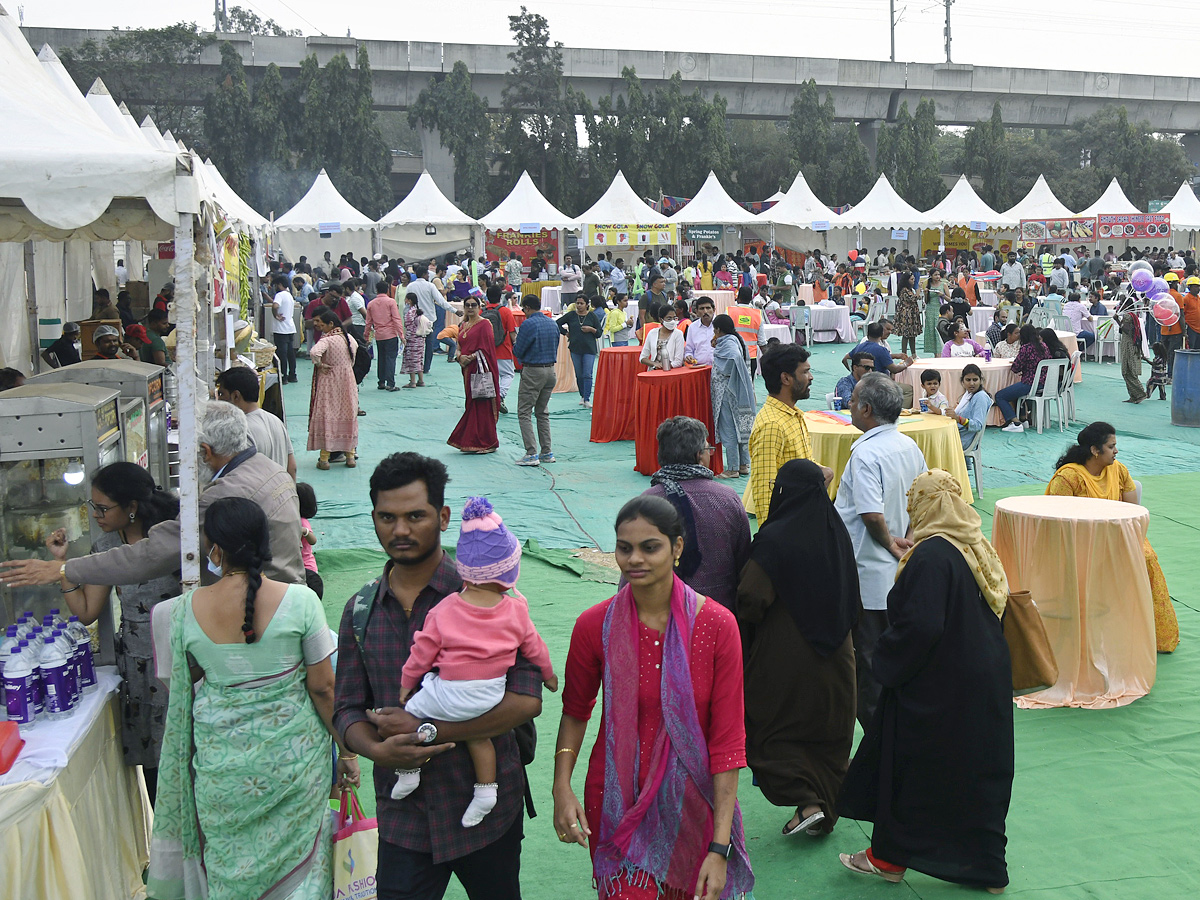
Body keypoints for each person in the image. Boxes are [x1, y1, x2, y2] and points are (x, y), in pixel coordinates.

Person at [333, 453, 544, 900]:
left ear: (444, 517)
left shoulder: (498, 599)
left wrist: (427, 731)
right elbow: (346, 709)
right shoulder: (359, 611)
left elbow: (528, 701)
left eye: (416, 516)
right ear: (372, 518)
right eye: (387, 517)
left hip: (486, 810)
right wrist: (377, 749)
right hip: (403, 818)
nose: (401, 530)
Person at [147, 497, 358, 900]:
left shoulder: (179, 613)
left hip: (221, 771)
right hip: (294, 767)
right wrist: (347, 754)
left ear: (215, 548)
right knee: (303, 873)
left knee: (230, 872)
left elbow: (179, 682)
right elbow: (324, 689)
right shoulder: (301, 602)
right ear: (266, 542)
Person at [553, 496, 755, 900]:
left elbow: (728, 741)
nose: (634, 559)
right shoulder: (594, 626)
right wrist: (562, 786)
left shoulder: (717, 627)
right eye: (624, 548)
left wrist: (719, 848)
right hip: (614, 799)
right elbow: (576, 711)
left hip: (694, 807)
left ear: (677, 548)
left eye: (650, 547)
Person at [837, 469, 1013, 894]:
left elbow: (921, 626)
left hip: (937, 687)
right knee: (977, 774)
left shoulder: (932, 555)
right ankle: (987, 868)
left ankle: (888, 859)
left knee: (910, 772)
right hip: (983, 680)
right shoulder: (974, 544)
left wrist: (884, 665)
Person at [2, 401, 304, 590]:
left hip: (260, 606)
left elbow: (155, 553)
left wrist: (65, 569)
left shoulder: (226, 494)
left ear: (205, 452)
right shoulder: (270, 468)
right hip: (285, 594)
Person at [394, 497, 557, 828]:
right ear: (508, 571)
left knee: (410, 716)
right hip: (491, 696)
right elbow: (536, 648)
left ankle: (409, 771)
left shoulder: (443, 611)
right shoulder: (515, 610)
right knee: (480, 735)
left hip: (447, 695)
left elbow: (421, 654)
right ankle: (486, 791)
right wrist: (550, 676)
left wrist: (406, 684)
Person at [42, 462, 180, 804]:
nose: (96, 515)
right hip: (136, 664)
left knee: (180, 755)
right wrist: (62, 564)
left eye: (103, 508)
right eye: (93, 507)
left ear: (132, 507)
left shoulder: (170, 537)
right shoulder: (106, 547)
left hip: (176, 658)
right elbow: (88, 611)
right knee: (151, 763)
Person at [737, 459, 859, 838]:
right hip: (838, 655)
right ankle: (821, 806)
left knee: (768, 730)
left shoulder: (775, 539)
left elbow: (750, 597)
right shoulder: (835, 530)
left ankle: (807, 800)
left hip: (787, 658)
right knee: (827, 735)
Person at [833, 373, 927, 729]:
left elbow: (870, 512)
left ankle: (880, 745)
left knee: (868, 664)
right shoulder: (908, 445)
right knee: (893, 656)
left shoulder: (867, 453)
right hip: (898, 569)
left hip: (870, 570)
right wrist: (909, 538)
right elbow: (923, 498)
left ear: (867, 409)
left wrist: (890, 542)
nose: (850, 406)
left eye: (854, 401)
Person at [1046, 423, 1178, 652]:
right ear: (1095, 450)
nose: (1116, 451)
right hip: (1079, 540)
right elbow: (1056, 521)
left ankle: (1150, 634)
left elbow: (1132, 513)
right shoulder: (1069, 478)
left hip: (1117, 534)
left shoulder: (1118, 470)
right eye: (1111, 446)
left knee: (1147, 558)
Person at [643, 416, 751, 609]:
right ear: (699, 455)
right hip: (720, 614)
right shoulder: (728, 498)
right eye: (709, 449)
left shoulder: (646, 503)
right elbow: (743, 562)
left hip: (661, 615)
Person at [748, 344, 832, 523]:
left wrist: (821, 471)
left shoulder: (793, 415)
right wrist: (770, 537)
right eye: (805, 372)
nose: (811, 377)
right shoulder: (772, 425)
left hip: (801, 518)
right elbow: (764, 489)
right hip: (787, 526)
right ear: (786, 378)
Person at [215, 365, 297, 480]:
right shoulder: (276, 421)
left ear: (235, 396)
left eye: (221, 394)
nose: (218, 401)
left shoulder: (240, 431)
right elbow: (292, 467)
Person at [448, 294, 501, 453]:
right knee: (471, 404)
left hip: (480, 369)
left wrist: (470, 358)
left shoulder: (485, 324)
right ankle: (472, 440)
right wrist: (459, 357)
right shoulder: (463, 324)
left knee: (482, 404)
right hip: (467, 370)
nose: (470, 308)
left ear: (479, 307)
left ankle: (489, 442)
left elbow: (487, 349)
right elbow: (459, 345)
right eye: (467, 305)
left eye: (473, 305)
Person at [309, 309, 360, 469]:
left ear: (331, 324)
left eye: (321, 323)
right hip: (347, 380)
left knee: (328, 414)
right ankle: (350, 457)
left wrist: (320, 365)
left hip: (329, 381)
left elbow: (314, 352)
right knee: (348, 413)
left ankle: (324, 459)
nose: (319, 326)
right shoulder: (348, 338)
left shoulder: (327, 340)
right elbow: (356, 349)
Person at [513, 295, 558, 467]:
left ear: (527, 307)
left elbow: (518, 350)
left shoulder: (528, 324)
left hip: (533, 370)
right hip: (550, 370)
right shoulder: (552, 323)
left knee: (524, 412)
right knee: (542, 412)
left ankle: (531, 453)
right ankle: (546, 451)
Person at [709, 316, 756, 479]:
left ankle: (733, 468)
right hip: (737, 390)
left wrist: (725, 371)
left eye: (715, 330)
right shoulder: (735, 339)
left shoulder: (728, 344)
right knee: (741, 427)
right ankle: (743, 464)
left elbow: (734, 358)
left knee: (729, 428)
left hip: (727, 392)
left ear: (719, 330)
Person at [995, 325, 1049, 432]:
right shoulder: (1044, 346)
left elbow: (1015, 368)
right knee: (1015, 391)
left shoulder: (1026, 348)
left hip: (1029, 383)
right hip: (1044, 382)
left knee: (1000, 396)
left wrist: (1016, 362)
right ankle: (1024, 419)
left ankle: (1014, 422)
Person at [557, 296, 603, 407]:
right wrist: (565, 332)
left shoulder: (592, 316)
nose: (579, 305)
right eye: (577, 303)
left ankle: (587, 398)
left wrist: (591, 330)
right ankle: (582, 395)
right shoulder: (571, 315)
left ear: (587, 304)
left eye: (581, 303)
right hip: (575, 348)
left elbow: (599, 333)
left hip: (589, 349)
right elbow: (557, 323)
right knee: (579, 374)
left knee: (587, 373)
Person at [937, 363, 993, 452]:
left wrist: (958, 418)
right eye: (968, 380)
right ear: (962, 381)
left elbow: (977, 426)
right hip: (958, 434)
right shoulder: (968, 394)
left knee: (933, 442)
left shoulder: (980, 397)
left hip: (964, 439)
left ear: (981, 380)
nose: (972, 383)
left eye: (975, 380)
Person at [366, 280, 406, 391]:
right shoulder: (391, 302)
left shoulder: (371, 304)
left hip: (379, 336)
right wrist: (401, 335)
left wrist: (366, 336)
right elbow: (396, 319)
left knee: (381, 358)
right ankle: (391, 383)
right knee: (390, 359)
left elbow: (368, 322)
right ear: (387, 290)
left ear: (376, 290)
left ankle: (381, 382)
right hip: (391, 334)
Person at [484, 288, 519, 414]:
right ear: (501, 297)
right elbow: (512, 333)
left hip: (486, 351)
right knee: (508, 374)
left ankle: (487, 401)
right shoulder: (505, 311)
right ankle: (500, 396)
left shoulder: (482, 312)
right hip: (503, 350)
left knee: (489, 376)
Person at [1116, 297, 1148, 404]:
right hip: (1132, 345)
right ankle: (1133, 396)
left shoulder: (1127, 316)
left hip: (1128, 346)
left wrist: (1117, 320)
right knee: (1129, 371)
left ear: (1125, 305)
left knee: (1127, 371)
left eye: (1121, 303)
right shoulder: (1133, 315)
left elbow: (1126, 330)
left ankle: (1140, 394)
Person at [267, 275, 298, 383]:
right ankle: (292, 374)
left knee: (282, 353)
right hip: (290, 327)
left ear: (279, 285)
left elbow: (275, 306)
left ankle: (283, 376)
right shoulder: (289, 295)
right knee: (290, 353)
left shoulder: (279, 295)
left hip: (280, 329)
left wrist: (276, 315)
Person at [639, 304, 685, 371]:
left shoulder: (678, 334)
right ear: (661, 319)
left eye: (674, 318)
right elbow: (642, 358)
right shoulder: (652, 333)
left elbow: (678, 361)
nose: (672, 321)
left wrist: (665, 366)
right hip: (653, 371)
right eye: (669, 318)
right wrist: (654, 364)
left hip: (671, 371)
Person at [296, 481, 323, 598]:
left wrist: (304, 531)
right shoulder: (294, 519)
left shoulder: (302, 522)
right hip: (298, 566)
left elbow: (313, 540)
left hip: (307, 568)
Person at [893, 267, 921, 358]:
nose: (913, 281)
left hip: (912, 314)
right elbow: (912, 299)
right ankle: (904, 355)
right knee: (906, 335)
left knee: (912, 335)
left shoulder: (909, 290)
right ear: (907, 280)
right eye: (912, 279)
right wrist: (918, 290)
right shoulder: (904, 290)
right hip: (906, 315)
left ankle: (914, 354)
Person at [401, 292, 427, 388]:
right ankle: (421, 380)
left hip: (412, 338)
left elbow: (407, 325)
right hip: (420, 338)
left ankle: (412, 381)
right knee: (419, 359)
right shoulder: (417, 310)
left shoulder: (410, 312)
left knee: (411, 359)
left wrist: (405, 338)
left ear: (409, 301)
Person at [683, 296, 717, 365]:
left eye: (708, 308)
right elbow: (689, 350)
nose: (705, 311)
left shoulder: (721, 324)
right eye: (702, 309)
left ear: (714, 310)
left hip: (718, 369)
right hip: (699, 368)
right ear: (696, 312)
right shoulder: (692, 327)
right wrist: (688, 356)